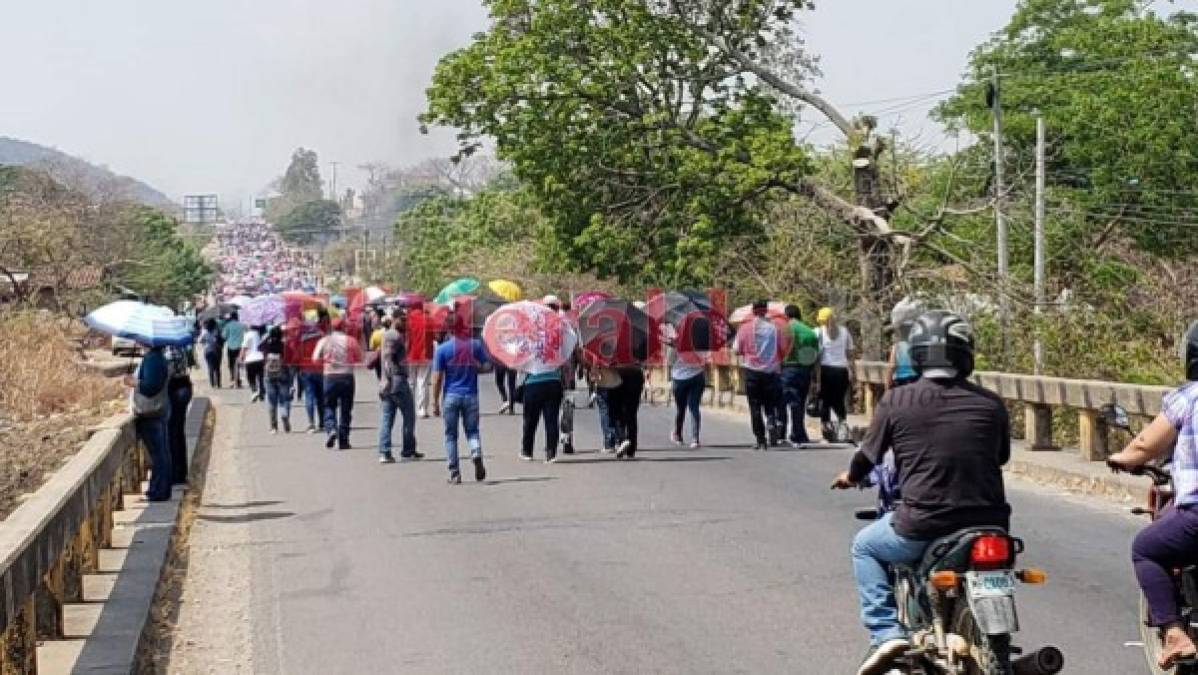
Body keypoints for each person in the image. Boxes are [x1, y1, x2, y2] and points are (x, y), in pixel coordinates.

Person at [831, 311, 1010, 675]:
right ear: (966, 354)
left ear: (918, 353)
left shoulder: (897, 401)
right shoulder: (992, 404)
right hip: (991, 525)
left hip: (923, 524)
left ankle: (885, 633)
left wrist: (850, 476)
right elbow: (1002, 455)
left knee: (865, 546)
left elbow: (868, 456)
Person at [1108, 320, 1198, 669]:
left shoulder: (1189, 396)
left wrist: (1122, 458)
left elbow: (1145, 445)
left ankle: (1174, 633)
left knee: (1146, 549)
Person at [431, 305, 489, 484]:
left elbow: (437, 377)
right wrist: (475, 368)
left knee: (450, 435)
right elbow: (488, 366)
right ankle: (476, 452)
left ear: (448, 329)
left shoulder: (442, 350)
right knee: (472, 431)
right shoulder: (475, 345)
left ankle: (455, 472)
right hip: (471, 395)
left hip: (451, 396)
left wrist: (434, 402)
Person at [733, 300, 783, 450]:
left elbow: (736, 349)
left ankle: (760, 439)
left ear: (754, 311)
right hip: (771, 371)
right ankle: (771, 421)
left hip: (752, 372)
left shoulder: (745, 328)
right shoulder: (775, 328)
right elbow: (781, 348)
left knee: (755, 406)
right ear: (766, 310)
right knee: (770, 403)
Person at [128, 344, 173, 502]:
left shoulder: (152, 359)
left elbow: (150, 387)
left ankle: (158, 490)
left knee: (158, 454)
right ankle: (160, 488)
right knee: (161, 453)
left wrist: (135, 383)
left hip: (151, 413)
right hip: (158, 411)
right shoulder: (158, 357)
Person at [378, 309, 423, 463]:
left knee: (387, 418)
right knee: (409, 415)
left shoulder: (391, 335)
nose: (406, 323)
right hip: (396, 381)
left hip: (389, 382)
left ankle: (385, 452)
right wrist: (389, 379)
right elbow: (387, 359)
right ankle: (408, 450)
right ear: (395, 319)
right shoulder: (393, 336)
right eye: (403, 320)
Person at [314, 317, 360, 450]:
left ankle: (331, 429)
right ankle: (344, 439)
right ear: (344, 327)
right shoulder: (351, 340)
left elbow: (315, 358)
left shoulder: (324, 340)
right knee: (346, 408)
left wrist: (325, 361)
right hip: (347, 376)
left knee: (329, 406)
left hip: (330, 376)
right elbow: (359, 357)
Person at [779, 305, 819, 447]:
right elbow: (815, 356)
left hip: (788, 369)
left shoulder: (785, 329)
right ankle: (799, 433)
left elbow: (780, 350)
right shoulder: (810, 332)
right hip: (805, 371)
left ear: (787, 316)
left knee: (783, 403)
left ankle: (780, 433)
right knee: (800, 404)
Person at [815, 307, 856, 443]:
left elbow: (816, 357)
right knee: (838, 400)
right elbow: (850, 354)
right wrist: (851, 371)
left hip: (826, 370)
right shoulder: (845, 332)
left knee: (825, 402)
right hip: (841, 371)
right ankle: (842, 426)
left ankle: (827, 432)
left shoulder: (818, 332)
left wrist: (817, 379)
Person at [667, 325, 706, 448]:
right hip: (697, 376)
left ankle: (678, 435)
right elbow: (705, 359)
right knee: (694, 407)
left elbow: (669, 361)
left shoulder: (675, 343)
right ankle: (695, 439)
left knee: (681, 408)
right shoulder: (700, 341)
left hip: (679, 378)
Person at [164, 345, 193, 484]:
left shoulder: (170, 351)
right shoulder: (181, 348)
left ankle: (176, 474)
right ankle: (181, 473)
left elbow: (168, 373)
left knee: (172, 432)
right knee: (178, 431)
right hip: (184, 386)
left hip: (176, 388)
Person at [260, 325, 293, 434]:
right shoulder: (284, 346)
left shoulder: (266, 346)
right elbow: (290, 357)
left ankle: (273, 427)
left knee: (272, 401)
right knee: (284, 399)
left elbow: (258, 347)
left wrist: (267, 336)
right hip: (283, 374)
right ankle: (284, 414)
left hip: (269, 375)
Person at [608, 364, 645, 460]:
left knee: (617, 413)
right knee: (631, 414)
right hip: (636, 374)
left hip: (617, 376)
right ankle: (631, 447)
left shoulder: (614, 348)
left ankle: (622, 440)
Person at [297, 315, 327, 433]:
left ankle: (311, 423)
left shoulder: (302, 339)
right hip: (320, 369)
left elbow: (297, 355)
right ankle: (322, 423)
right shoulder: (322, 337)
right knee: (321, 397)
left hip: (306, 370)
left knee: (309, 396)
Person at [407, 301, 435, 418]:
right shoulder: (428, 319)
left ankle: (409, 408)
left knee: (410, 382)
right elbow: (433, 336)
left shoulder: (408, 319)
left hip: (411, 354)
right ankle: (422, 409)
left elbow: (406, 337)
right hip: (426, 354)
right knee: (423, 382)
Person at [886, 319, 919, 390]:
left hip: (900, 380)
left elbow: (892, 366)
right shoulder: (916, 346)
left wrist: (888, 383)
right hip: (915, 379)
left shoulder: (896, 346)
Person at [240, 324, 266, 402]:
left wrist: (241, 357)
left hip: (250, 359)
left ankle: (254, 391)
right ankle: (261, 392)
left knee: (251, 377)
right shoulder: (259, 335)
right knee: (261, 377)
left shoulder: (247, 335)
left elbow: (244, 347)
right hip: (260, 358)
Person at [221, 311, 246, 388]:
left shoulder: (227, 325)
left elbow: (224, 336)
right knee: (238, 364)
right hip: (239, 347)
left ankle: (233, 380)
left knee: (231, 365)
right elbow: (246, 334)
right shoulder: (242, 325)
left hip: (231, 347)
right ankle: (237, 381)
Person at [200, 319, 222, 388]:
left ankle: (212, 383)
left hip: (207, 351)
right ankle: (218, 383)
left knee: (210, 367)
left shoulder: (204, 332)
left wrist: (205, 341)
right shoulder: (216, 331)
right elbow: (218, 340)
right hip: (216, 350)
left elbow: (200, 340)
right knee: (217, 367)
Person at [369, 311, 388, 380]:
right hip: (389, 356)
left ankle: (382, 387)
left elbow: (371, 347)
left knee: (380, 375)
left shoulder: (375, 333)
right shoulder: (392, 333)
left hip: (379, 356)